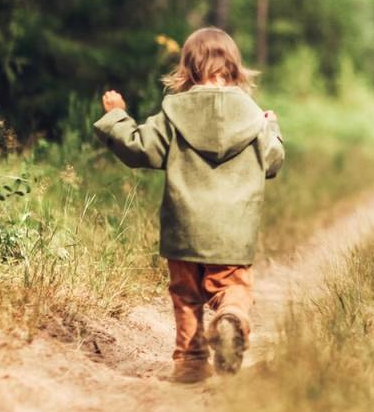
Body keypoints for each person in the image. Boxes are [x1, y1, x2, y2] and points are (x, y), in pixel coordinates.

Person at [94, 27, 284, 384]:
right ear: (234, 68)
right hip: (233, 230)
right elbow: (272, 161)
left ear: (188, 68)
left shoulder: (173, 113)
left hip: (184, 227)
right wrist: (272, 127)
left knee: (186, 295)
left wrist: (117, 116)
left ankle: (191, 362)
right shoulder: (254, 118)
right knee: (233, 289)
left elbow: (139, 149)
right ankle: (230, 318)